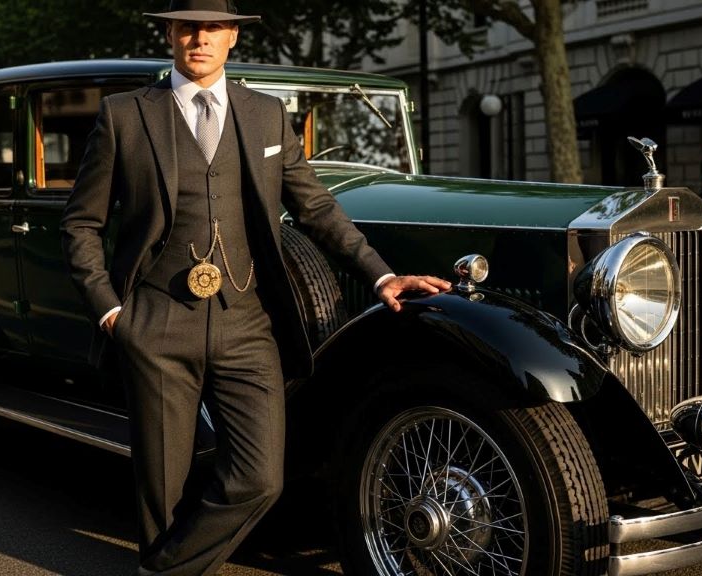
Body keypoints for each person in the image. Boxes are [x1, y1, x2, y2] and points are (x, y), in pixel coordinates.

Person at [60, 1, 451, 574]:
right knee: (160, 492)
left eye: (212, 28)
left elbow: (316, 207)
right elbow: (81, 222)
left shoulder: (265, 114)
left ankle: (161, 571)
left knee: (260, 477)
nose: (199, 39)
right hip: (156, 322)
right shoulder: (125, 115)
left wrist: (382, 273)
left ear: (232, 38)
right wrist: (112, 312)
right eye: (187, 27)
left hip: (246, 322)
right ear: (170, 33)